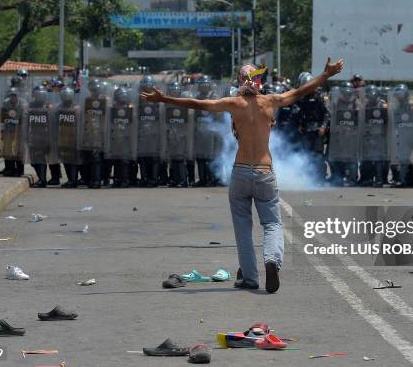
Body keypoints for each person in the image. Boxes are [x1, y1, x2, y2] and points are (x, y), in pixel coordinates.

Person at [140, 57, 345, 294]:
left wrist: (164, 98)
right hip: (264, 171)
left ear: (239, 81)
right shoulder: (270, 101)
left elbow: (196, 103)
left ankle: (249, 278)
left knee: (242, 228)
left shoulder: (233, 103)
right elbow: (301, 91)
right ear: (258, 81)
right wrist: (326, 74)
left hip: (240, 173)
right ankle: (272, 261)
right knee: (272, 223)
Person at [297, 72, 330, 184]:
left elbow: (326, 114)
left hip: (317, 130)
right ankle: (308, 178)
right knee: (307, 154)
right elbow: (302, 112)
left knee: (318, 155)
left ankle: (320, 178)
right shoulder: (304, 97)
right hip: (307, 130)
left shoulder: (320, 96)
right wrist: (301, 124)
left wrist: (323, 127)